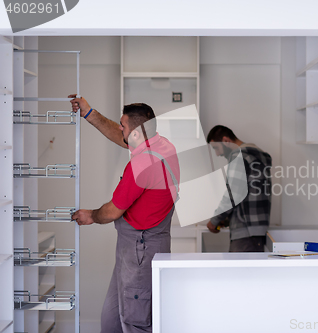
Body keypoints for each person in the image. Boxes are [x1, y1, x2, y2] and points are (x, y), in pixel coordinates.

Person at [68, 94, 180, 333]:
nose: (120, 129)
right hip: (139, 245)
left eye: (124, 126)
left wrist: (91, 215)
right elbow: (119, 135)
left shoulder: (141, 164)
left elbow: (111, 211)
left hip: (141, 249)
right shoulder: (163, 145)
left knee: (135, 321)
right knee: (111, 320)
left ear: (137, 133)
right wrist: (89, 113)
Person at [206, 125, 272, 252]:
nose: (217, 154)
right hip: (257, 230)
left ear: (226, 140)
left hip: (245, 232)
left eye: (216, 148)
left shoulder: (238, 156)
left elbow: (233, 194)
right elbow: (248, 193)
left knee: (239, 272)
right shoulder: (258, 156)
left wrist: (215, 220)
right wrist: (226, 220)